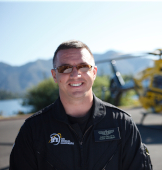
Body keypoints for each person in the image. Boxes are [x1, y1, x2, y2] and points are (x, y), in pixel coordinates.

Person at [10, 40, 153, 170]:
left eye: (83, 66)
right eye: (65, 68)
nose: (75, 74)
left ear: (94, 72)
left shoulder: (122, 124)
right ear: (54, 76)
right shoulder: (33, 130)